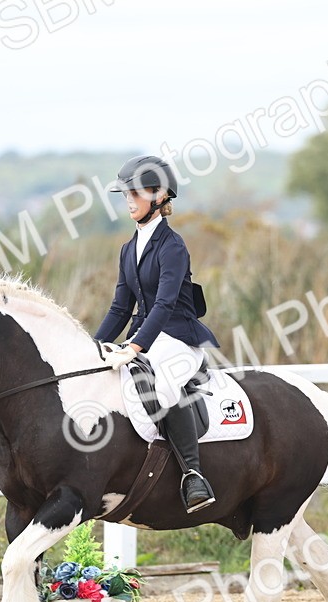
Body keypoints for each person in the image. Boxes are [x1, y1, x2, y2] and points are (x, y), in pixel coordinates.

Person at [95, 155, 220, 513]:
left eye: (136, 193)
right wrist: (91, 347)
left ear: (160, 196)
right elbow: (121, 308)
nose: (129, 200)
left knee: (163, 384)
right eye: (125, 194)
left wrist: (134, 346)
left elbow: (164, 304)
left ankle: (193, 476)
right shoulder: (127, 248)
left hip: (178, 336)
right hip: (147, 333)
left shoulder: (172, 246)